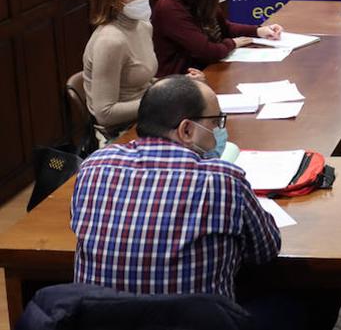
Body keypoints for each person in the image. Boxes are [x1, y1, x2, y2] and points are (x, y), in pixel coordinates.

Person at [70, 75, 281, 297]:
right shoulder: (224, 180)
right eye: (215, 122)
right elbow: (265, 251)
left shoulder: (94, 166)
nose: (219, 130)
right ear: (186, 130)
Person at [152, 0, 282, 76]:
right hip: (181, 79)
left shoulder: (198, 0)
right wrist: (233, 43)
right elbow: (207, 51)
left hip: (207, 69)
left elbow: (224, 27)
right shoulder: (170, 8)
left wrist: (258, 31)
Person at [81, 0, 160, 133]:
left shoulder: (144, 26)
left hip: (149, 117)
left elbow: (142, 81)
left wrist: (172, 86)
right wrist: (159, 100)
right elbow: (105, 113)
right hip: (121, 132)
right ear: (112, 0)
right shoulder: (110, 42)